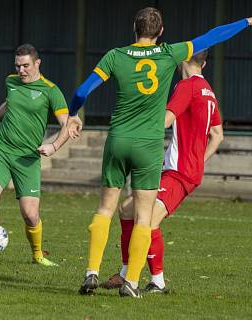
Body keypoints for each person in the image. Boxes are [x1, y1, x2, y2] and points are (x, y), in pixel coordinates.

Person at [67, 7, 251, 297]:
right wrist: (247, 21)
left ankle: (91, 272)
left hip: (118, 139)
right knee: (142, 216)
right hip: (149, 145)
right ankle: (132, 283)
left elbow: (81, 91)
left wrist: (73, 115)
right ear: (161, 31)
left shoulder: (115, 55)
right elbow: (211, 37)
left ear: (133, 28)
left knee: (106, 209)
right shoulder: (169, 53)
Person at [101, 50, 223, 293]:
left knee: (149, 220)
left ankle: (157, 281)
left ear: (182, 59)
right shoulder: (208, 90)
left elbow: (164, 121)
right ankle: (126, 271)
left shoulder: (186, 86)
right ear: (205, 63)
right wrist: (198, 161)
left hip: (179, 171)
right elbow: (218, 135)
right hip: (181, 169)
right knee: (127, 210)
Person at [0, 43, 69, 267]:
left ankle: (38, 255)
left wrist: (54, 146)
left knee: (30, 214)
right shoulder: (11, 82)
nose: (21, 71)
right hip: (1, 150)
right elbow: (7, 106)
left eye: (26, 66)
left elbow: (67, 124)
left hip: (27, 158)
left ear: (37, 63)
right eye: (18, 66)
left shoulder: (51, 90)